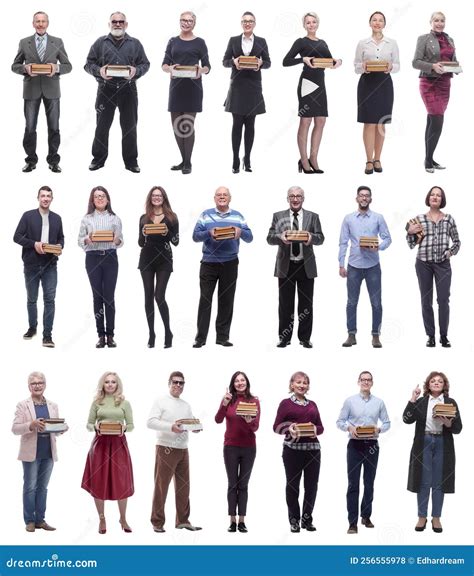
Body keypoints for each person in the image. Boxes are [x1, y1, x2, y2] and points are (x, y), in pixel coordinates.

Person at [84, 12, 150, 173]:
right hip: (106, 90)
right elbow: (88, 64)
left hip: (129, 90)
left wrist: (137, 71)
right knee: (102, 126)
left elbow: (145, 64)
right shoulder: (100, 43)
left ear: (126, 24)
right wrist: (100, 71)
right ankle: (98, 159)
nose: (118, 24)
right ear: (109, 24)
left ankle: (131, 162)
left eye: (121, 22)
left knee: (130, 127)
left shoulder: (135, 43)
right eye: (115, 21)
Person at [192, 187, 253, 348]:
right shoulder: (205, 215)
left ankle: (222, 337)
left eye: (224, 195)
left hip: (230, 263)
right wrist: (208, 232)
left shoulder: (238, 216)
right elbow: (195, 236)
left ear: (230, 198)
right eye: (219, 195)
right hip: (208, 263)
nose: (222, 197)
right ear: (214, 198)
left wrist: (241, 232)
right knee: (205, 300)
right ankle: (200, 338)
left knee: (226, 301)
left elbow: (250, 237)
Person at [12, 11, 72, 173]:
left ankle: (53, 160)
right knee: (30, 127)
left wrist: (56, 68)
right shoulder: (24, 42)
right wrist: (24, 68)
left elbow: (68, 66)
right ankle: (31, 160)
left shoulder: (57, 42)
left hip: (52, 90)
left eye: (43, 21)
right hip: (31, 90)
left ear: (47, 23)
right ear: (33, 23)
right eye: (37, 21)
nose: (40, 24)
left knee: (54, 127)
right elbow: (15, 65)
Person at [283, 12, 342, 174]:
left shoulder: (323, 42)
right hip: (307, 84)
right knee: (306, 121)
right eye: (308, 22)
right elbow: (285, 61)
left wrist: (338, 62)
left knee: (321, 121)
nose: (311, 25)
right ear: (304, 25)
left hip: (320, 85)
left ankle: (313, 158)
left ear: (318, 24)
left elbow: (330, 61)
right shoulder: (301, 42)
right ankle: (303, 160)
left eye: (314, 22)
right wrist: (303, 59)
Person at [403, 371, 462, 533]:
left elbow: (458, 429)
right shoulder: (421, 401)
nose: (436, 383)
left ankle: (436, 517)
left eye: (440, 381)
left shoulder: (451, 402)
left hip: (443, 443)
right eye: (433, 381)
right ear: (428, 385)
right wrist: (413, 398)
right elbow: (407, 419)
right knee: (423, 481)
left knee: (439, 482)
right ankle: (422, 517)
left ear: (444, 385)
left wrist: (448, 424)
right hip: (424, 443)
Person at [266, 186, 324, 349]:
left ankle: (305, 338)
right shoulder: (278, 216)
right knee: (285, 304)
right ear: (288, 199)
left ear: (303, 198)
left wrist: (311, 238)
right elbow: (269, 238)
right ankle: (284, 338)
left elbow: (321, 238)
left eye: (298, 196)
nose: (295, 199)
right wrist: (280, 237)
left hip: (306, 266)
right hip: (286, 266)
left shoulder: (313, 217)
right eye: (292, 196)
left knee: (306, 304)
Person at [12, 371, 68, 532]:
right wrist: (31, 424)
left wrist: (61, 429)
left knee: (43, 488)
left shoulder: (52, 405)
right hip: (31, 453)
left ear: (45, 385)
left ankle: (40, 520)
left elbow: (54, 430)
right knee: (30, 487)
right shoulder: (23, 405)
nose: (37, 386)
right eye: (34, 383)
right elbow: (15, 429)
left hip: (48, 452)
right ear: (29, 386)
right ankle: (29, 520)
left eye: (40, 383)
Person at [336, 371, 390, 534]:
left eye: (369, 380)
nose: (366, 382)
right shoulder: (350, 401)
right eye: (363, 379)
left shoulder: (379, 402)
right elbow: (339, 421)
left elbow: (387, 422)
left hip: (372, 445)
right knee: (353, 484)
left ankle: (366, 516)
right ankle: (352, 522)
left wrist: (379, 429)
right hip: (355, 446)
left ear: (372, 382)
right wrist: (349, 427)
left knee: (369, 482)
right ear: (358, 382)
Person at [147, 371, 202, 533]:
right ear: (169, 383)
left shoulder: (186, 405)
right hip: (165, 448)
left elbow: (189, 422)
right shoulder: (161, 401)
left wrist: (196, 428)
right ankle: (157, 522)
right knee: (161, 486)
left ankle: (182, 521)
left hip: (183, 449)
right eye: (175, 382)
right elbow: (150, 422)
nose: (178, 385)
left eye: (181, 383)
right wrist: (170, 426)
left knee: (184, 487)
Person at [406, 186, 460, 348]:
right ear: (428, 198)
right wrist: (409, 232)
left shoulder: (449, 219)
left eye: (438, 195)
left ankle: (444, 336)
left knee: (443, 300)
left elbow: (457, 242)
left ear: (442, 200)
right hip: (423, 264)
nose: (435, 197)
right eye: (432, 195)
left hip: (443, 265)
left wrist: (450, 252)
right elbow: (411, 244)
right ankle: (430, 336)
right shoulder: (419, 219)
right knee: (426, 300)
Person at [338, 186, 392, 348]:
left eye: (367, 196)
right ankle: (351, 334)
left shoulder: (378, 218)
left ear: (371, 199)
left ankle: (376, 335)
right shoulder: (348, 219)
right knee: (351, 302)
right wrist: (341, 264)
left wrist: (379, 247)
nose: (364, 198)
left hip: (372, 266)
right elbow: (342, 242)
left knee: (376, 303)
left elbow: (387, 238)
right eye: (361, 196)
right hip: (354, 265)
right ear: (357, 198)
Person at [81, 372, 134, 534]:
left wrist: (125, 428)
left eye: (113, 382)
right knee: (99, 481)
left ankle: (123, 518)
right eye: (107, 382)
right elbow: (89, 424)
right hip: (100, 446)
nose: (110, 384)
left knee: (121, 482)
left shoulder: (125, 403)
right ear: (102, 384)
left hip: (119, 445)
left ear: (118, 385)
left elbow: (131, 425)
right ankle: (102, 518)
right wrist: (95, 427)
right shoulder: (97, 402)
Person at [13, 186, 64, 348]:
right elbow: (16, 237)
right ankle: (32, 328)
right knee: (32, 299)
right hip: (31, 264)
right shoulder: (28, 216)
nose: (45, 198)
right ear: (38, 198)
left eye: (48, 196)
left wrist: (59, 247)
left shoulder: (57, 218)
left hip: (50, 264)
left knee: (50, 300)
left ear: (52, 199)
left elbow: (61, 238)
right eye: (43, 196)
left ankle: (47, 335)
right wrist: (34, 244)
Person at [273, 371, 324, 533]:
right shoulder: (285, 403)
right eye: (299, 382)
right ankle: (294, 520)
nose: (302, 385)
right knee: (293, 486)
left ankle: (307, 519)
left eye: (305, 383)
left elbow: (321, 427)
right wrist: (290, 428)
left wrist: (316, 429)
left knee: (311, 487)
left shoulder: (313, 405)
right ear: (292, 384)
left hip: (313, 452)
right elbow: (276, 426)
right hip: (292, 452)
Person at [162, 11, 210, 174]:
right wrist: (170, 68)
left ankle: (188, 163)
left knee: (187, 126)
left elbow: (207, 66)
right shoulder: (172, 41)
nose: (186, 23)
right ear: (179, 22)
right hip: (176, 89)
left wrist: (200, 70)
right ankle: (183, 160)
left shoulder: (200, 42)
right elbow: (164, 64)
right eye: (183, 20)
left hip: (193, 89)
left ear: (194, 23)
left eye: (190, 21)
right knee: (177, 127)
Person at [222, 11, 271, 173]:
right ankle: (235, 159)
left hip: (254, 87)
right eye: (244, 21)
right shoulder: (234, 40)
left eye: (250, 21)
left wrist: (261, 63)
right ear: (241, 23)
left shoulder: (262, 41)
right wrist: (233, 61)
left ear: (254, 23)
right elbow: (225, 62)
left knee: (250, 125)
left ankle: (247, 158)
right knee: (237, 125)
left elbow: (269, 62)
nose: (247, 23)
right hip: (237, 86)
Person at [413, 12, 459, 173]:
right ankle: (427, 161)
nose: (439, 23)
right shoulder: (423, 38)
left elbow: (452, 59)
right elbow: (415, 62)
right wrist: (432, 66)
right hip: (430, 83)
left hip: (445, 83)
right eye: (436, 20)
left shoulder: (449, 39)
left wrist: (456, 67)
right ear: (431, 22)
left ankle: (430, 159)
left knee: (432, 121)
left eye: (442, 21)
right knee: (437, 120)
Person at [354, 12, 400, 174]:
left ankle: (378, 158)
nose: (377, 23)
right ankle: (368, 160)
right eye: (374, 20)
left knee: (381, 123)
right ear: (370, 23)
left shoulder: (392, 43)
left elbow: (397, 65)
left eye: (380, 20)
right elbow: (356, 66)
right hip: (367, 84)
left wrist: (391, 67)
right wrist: (363, 66)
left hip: (384, 85)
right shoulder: (362, 43)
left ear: (384, 24)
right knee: (369, 122)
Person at [78, 186, 123, 348]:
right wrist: (86, 240)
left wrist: (117, 240)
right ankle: (101, 335)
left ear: (107, 199)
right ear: (92, 200)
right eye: (96, 196)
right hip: (92, 258)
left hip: (110, 257)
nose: (100, 198)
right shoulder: (86, 219)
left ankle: (110, 335)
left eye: (102, 196)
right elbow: (79, 240)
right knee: (97, 297)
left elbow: (120, 240)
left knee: (109, 297)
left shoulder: (115, 219)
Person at [215, 371, 260, 533]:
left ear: (247, 382)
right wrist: (224, 403)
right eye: (236, 381)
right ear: (232, 384)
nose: (240, 383)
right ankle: (232, 520)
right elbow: (218, 420)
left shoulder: (254, 401)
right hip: (231, 447)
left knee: (244, 485)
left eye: (242, 380)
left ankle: (242, 520)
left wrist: (249, 422)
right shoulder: (229, 400)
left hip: (249, 447)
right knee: (232, 484)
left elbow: (255, 427)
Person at [138, 186, 179, 349]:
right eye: (154, 195)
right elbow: (140, 242)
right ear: (150, 198)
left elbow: (176, 241)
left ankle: (168, 332)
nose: (156, 198)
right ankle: (151, 333)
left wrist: (167, 232)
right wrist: (143, 233)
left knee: (159, 296)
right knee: (148, 296)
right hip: (146, 258)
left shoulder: (172, 216)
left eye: (159, 195)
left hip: (164, 258)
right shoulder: (143, 217)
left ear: (164, 198)